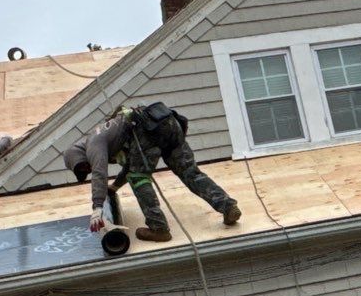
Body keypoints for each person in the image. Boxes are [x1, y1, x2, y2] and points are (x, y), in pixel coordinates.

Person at [64, 102, 241, 242]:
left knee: (138, 178)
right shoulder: (109, 134)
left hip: (146, 131)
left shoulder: (94, 142)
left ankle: (159, 229)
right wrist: (115, 187)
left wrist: (97, 207)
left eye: (83, 166)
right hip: (167, 123)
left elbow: (99, 173)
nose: (87, 169)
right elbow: (134, 162)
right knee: (190, 172)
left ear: (78, 156)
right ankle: (228, 206)